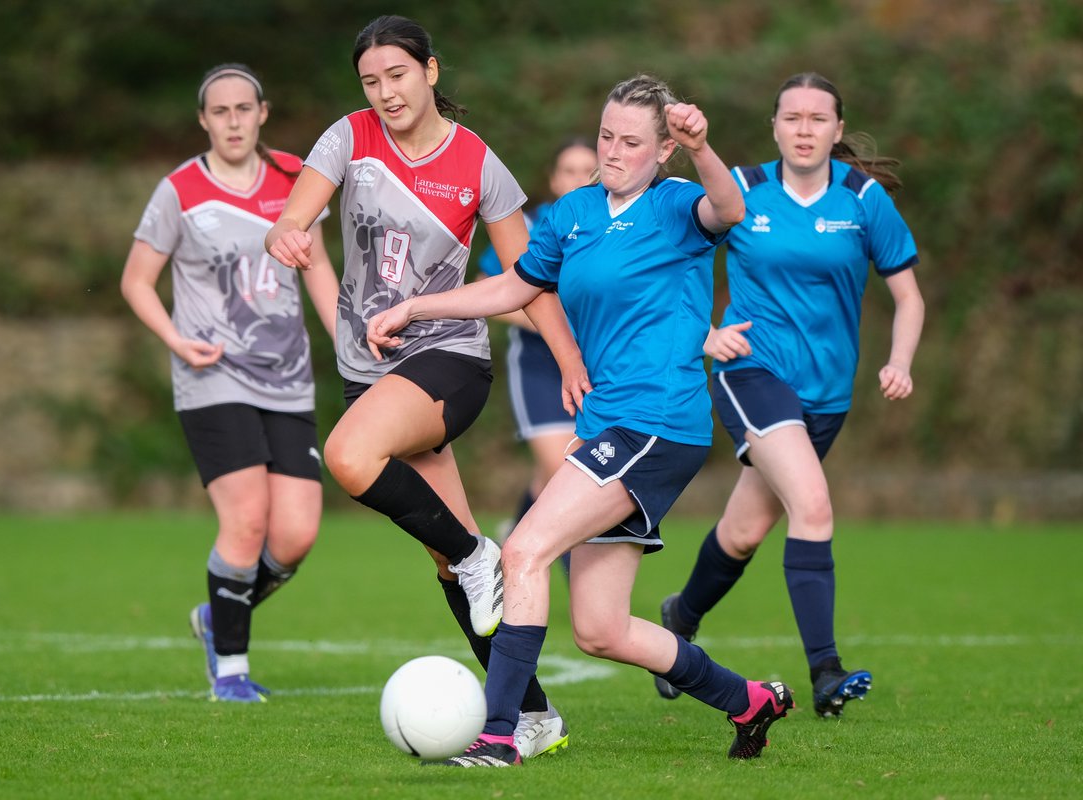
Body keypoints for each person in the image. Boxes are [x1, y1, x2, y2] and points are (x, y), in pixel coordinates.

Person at [368, 74, 795, 767]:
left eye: (632, 141)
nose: (614, 150)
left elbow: (732, 209)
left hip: (657, 421)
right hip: (609, 425)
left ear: (663, 151)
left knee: (524, 551)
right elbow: (517, 285)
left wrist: (706, 147)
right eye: (606, 136)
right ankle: (748, 701)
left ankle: (502, 733)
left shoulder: (679, 204)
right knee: (600, 628)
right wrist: (419, 307)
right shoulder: (571, 214)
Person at [264, 15, 583, 758]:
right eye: (371, 82)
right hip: (366, 370)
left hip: (448, 359)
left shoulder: (479, 165)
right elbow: (296, 214)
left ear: (431, 71)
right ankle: (533, 714)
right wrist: (286, 232)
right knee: (448, 564)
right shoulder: (347, 138)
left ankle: (479, 556)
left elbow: (528, 281)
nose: (385, 93)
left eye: (397, 76)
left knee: (348, 459)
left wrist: (569, 360)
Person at [654, 72, 925, 718]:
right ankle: (825, 670)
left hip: (826, 396)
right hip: (751, 374)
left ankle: (679, 618)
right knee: (813, 505)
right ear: (774, 127)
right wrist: (707, 333)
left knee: (744, 531)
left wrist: (900, 361)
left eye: (817, 118)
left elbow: (908, 294)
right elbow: (665, 265)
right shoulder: (742, 190)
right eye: (792, 117)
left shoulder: (863, 200)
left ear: (836, 130)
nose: (804, 129)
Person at [121, 63, 339, 703]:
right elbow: (136, 280)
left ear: (262, 112)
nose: (234, 120)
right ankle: (232, 669)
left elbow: (319, 265)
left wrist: (347, 343)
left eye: (244, 108)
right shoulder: (179, 190)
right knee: (246, 521)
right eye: (221, 111)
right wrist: (174, 339)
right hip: (212, 377)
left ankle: (218, 614)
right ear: (204, 120)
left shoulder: (295, 179)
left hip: (289, 380)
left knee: (295, 534)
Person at [477, 139, 598, 576]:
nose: (579, 178)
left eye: (589, 169)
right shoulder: (529, 226)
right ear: (553, 179)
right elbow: (491, 289)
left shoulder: (617, 226)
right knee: (570, 466)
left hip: (597, 368)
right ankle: (578, 577)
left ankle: (515, 536)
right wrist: (555, 327)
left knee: (558, 474)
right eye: (569, 169)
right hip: (538, 369)